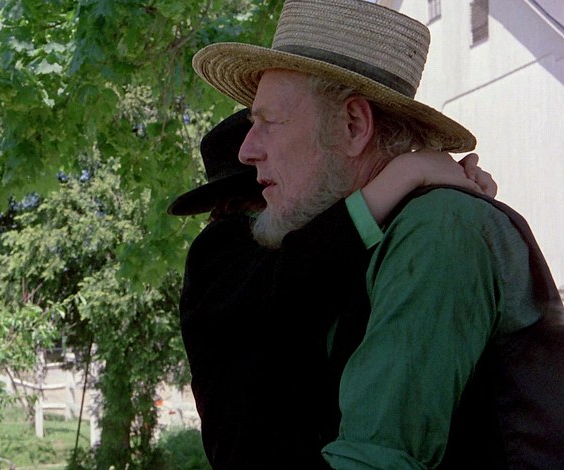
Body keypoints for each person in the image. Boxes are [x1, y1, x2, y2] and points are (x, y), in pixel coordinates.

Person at [190, 0, 564, 468]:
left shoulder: (437, 225)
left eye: (268, 123)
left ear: (353, 126)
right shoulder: (377, 237)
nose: (247, 152)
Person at [171, 108, 497, 468]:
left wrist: (449, 186)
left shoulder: (325, 251)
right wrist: (405, 174)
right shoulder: (218, 247)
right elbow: (295, 280)